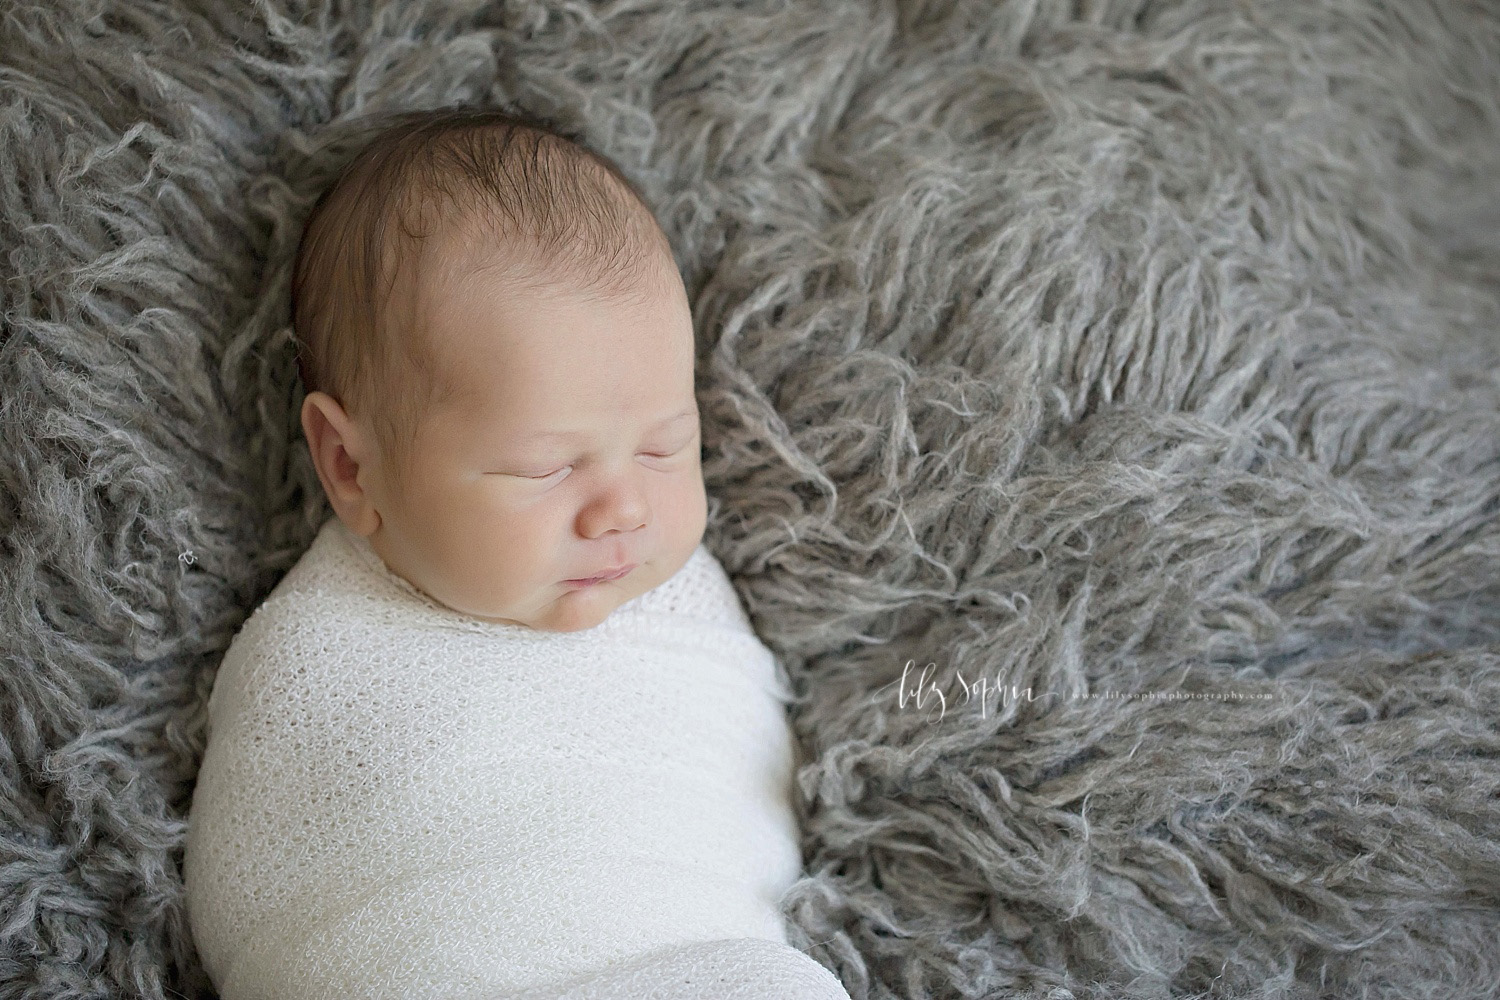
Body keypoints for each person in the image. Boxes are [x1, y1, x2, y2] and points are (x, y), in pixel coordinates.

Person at [181, 105, 852, 1000]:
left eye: (665, 446)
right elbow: (276, 897)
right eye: (546, 466)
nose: (621, 506)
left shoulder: (688, 609)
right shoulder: (314, 666)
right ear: (351, 466)